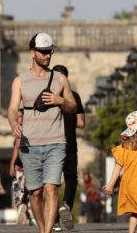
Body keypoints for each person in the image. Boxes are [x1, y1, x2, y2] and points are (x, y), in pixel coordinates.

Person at [8, 33, 77, 233]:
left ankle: (47, 232)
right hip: (30, 145)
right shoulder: (20, 81)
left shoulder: (60, 79)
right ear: (32, 53)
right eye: (44, 52)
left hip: (56, 142)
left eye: (50, 52)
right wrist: (14, 123)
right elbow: (13, 108)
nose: (48, 56)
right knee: (35, 193)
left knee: (51, 188)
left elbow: (73, 106)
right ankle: (42, 228)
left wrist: (61, 101)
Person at [52, 65, 85, 231]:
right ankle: (66, 205)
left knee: (52, 183)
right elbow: (81, 123)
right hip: (70, 143)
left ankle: (55, 223)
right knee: (71, 178)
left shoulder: (48, 97)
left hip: (52, 144)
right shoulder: (75, 97)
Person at [9, 109, 34, 225]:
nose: (19, 119)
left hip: (21, 166)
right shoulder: (32, 129)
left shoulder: (20, 130)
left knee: (19, 190)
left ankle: (21, 206)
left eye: (20, 117)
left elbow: (16, 147)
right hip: (30, 165)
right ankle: (31, 217)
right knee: (30, 191)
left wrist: (11, 164)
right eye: (18, 117)